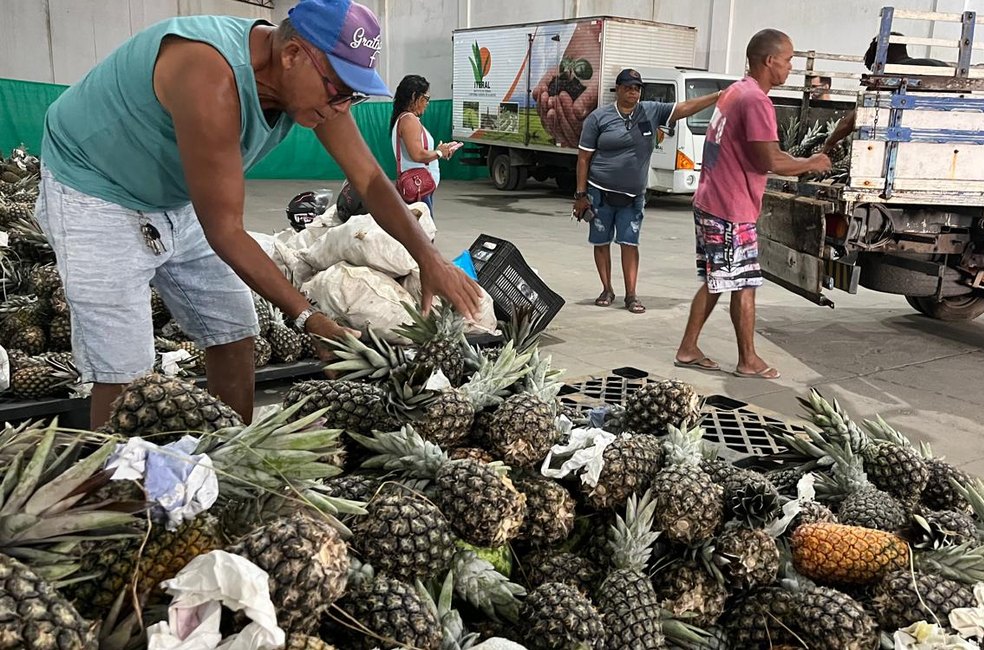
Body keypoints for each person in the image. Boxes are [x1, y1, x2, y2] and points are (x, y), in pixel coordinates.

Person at [35, 0, 482, 428]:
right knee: (125, 368)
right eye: (339, 91)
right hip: (95, 189)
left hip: (173, 195)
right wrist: (308, 317)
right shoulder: (207, 75)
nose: (340, 108)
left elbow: (369, 180)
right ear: (292, 54)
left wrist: (429, 259)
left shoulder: (316, 86)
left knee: (234, 327)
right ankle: (113, 486)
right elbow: (226, 232)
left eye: (354, 97)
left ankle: (229, 453)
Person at [674, 29, 831, 378]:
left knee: (719, 279)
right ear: (769, 60)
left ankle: (688, 348)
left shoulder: (736, 91)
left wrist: (793, 157)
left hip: (713, 201)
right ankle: (747, 360)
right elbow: (769, 162)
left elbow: (767, 152)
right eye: (788, 59)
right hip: (730, 208)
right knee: (742, 283)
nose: (791, 66)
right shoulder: (757, 101)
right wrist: (811, 163)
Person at [572, 68, 722, 314]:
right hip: (600, 191)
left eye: (637, 88)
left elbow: (684, 108)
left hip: (633, 195)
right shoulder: (598, 118)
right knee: (601, 242)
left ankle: (631, 295)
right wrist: (580, 195)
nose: (633, 92)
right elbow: (583, 159)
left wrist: (716, 96)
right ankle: (607, 289)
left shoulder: (651, 111)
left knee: (629, 242)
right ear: (618, 89)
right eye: (628, 87)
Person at [822, 33, 949, 154]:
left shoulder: (886, 77)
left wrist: (829, 144)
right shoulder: (940, 66)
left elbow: (848, 123)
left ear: (881, 55)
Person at [390, 74, 459, 212]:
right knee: (423, 231)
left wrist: (439, 151)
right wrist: (439, 152)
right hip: (418, 188)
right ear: (415, 96)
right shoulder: (409, 120)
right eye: (426, 98)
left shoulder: (406, 119)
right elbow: (417, 154)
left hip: (419, 187)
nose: (428, 103)